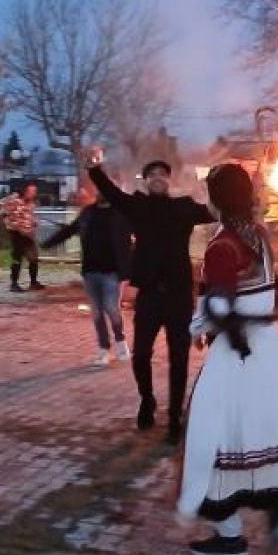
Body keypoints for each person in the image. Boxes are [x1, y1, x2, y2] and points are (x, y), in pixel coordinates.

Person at [178, 164, 278, 555]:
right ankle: (277, 503)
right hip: (267, 354)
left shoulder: (223, 245)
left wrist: (198, 324)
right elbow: (266, 295)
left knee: (213, 434)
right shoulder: (258, 236)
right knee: (254, 433)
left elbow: (220, 305)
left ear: (215, 198)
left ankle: (231, 536)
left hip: (235, 354)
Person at [87, 153, 214, 442]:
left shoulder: (184, 207)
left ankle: (173, 420)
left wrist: (239, 190)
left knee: (179, 359)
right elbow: (111, 193)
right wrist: (94, 169)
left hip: (179, 296)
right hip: (149, 296)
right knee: (141, 354)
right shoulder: (138, 206)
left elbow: (213, 212)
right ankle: (147, 399)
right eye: (152, 175)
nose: (158, 178)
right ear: (145, 181)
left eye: (162, 174)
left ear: (169, 180)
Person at [40, 186, 133, 366]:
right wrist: (48, 243)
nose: (101, 194)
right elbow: (69, 230)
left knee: (112, 308)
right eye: (99, 191)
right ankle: (103, 349)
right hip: (90, 271)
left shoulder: (122, 214)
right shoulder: (88, 213)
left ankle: (121, 343)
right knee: (97, 312)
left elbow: (141, 235)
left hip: (113, 272)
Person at [0, 183, 44, 293]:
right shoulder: (14, 199)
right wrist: (6, 218)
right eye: (32, 191)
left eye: (35, 191)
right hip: (16, 232)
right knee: (17, 258)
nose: (34, 193)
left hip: (28, 233)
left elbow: (29, 216)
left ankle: (33, 282)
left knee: (33, 257)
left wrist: (33, 222)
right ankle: (14, 283)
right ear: (25, 190)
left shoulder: (31, 203)